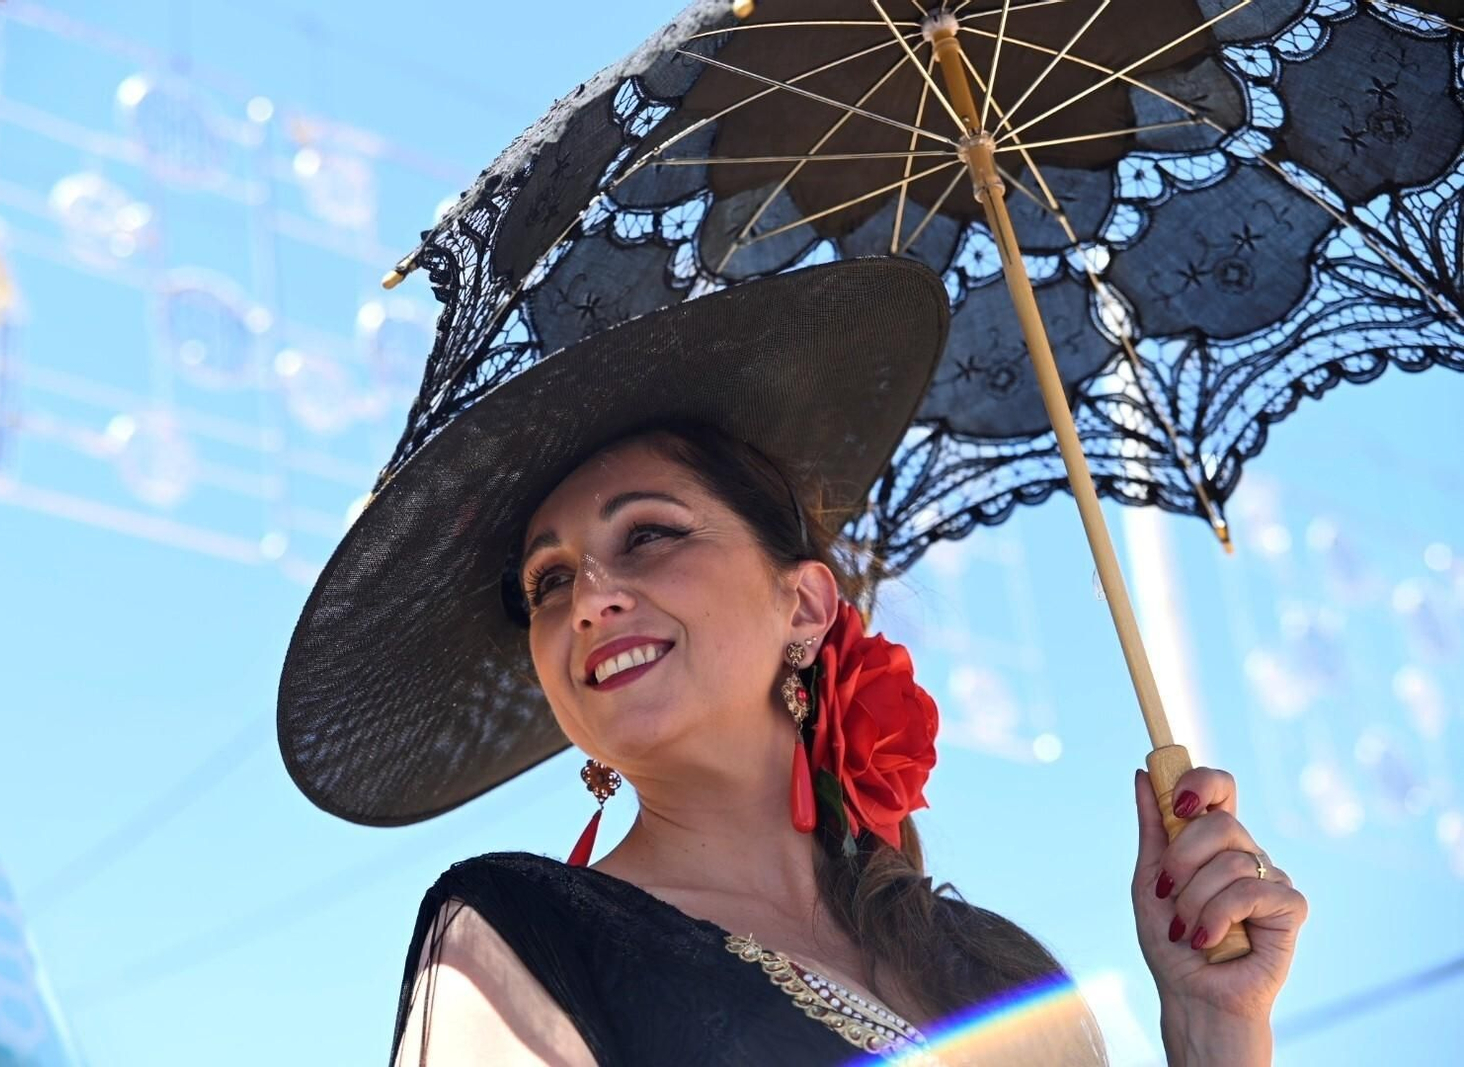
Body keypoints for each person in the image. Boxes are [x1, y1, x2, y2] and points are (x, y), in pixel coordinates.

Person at [277, 259, 1307, 1065]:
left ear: (805, 604)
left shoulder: (995, 973)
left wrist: (1212, 1026)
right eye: (548, 583)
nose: (590, 598)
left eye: (648, 535)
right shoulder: (521, 934)